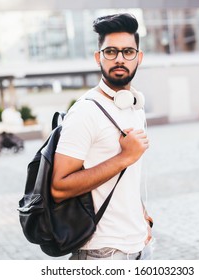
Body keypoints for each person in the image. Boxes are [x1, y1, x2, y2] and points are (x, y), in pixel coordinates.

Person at [51, 13, 153, 260]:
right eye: (111, 52)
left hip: (140, 245)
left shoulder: (133, 107)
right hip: (102, 252)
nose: (119, 59)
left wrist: (139, 211)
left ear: (138, 57)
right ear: (98, 57)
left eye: (128, 51)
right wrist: (123, 157)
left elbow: (126, 177)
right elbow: (59, 187)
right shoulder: (85, 111)